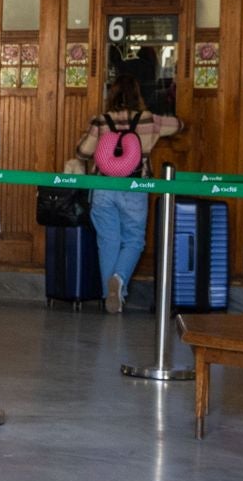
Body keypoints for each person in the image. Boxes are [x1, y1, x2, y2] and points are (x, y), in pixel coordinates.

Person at [76, 73, 181, 314]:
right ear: (138, 94)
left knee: (108, 241)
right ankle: (119, 280)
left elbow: (82, 151)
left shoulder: (101, 121)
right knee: (134, 239)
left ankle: (110, 298)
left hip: (104, 186)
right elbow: (178, 126)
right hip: (135, 187)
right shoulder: (148, 120)